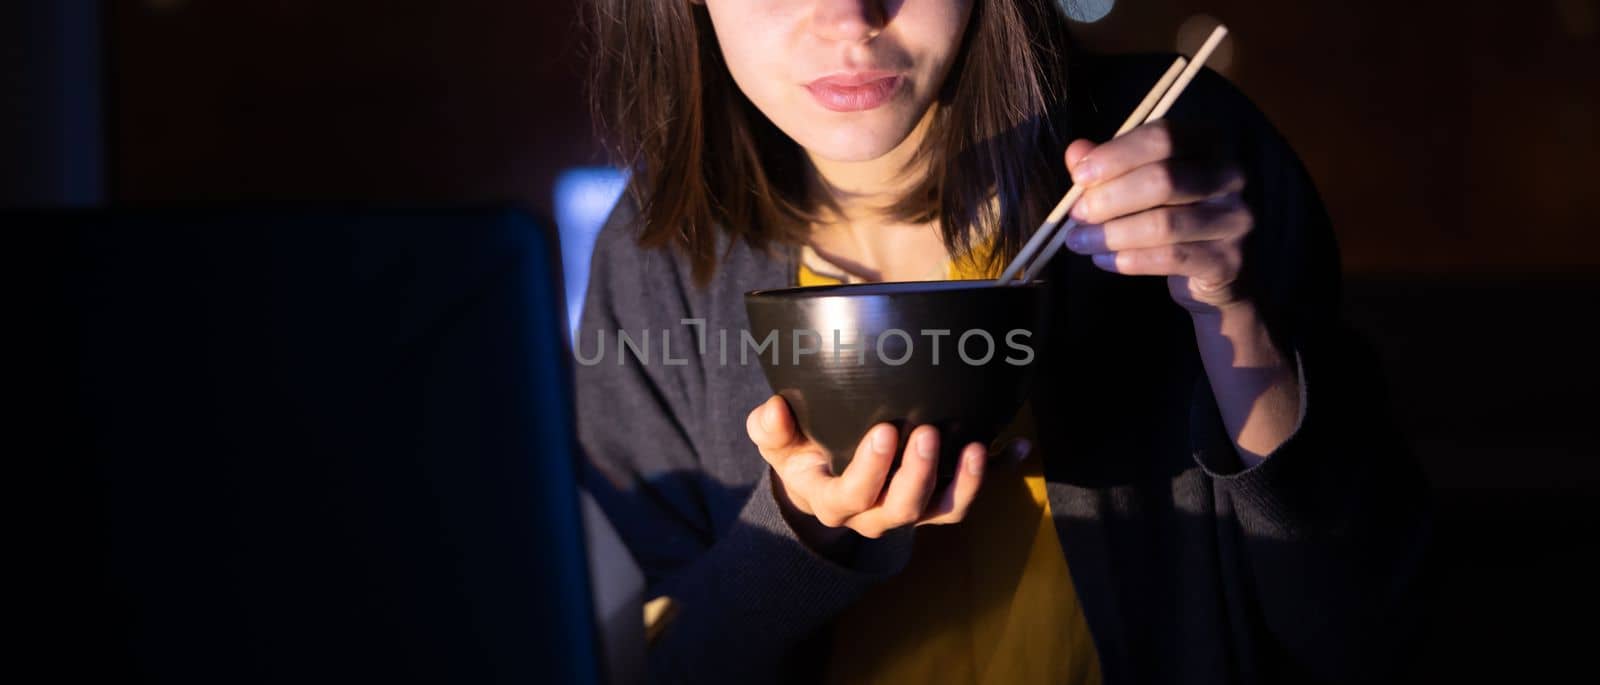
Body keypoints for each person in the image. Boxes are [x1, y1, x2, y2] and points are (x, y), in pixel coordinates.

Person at [575, 1, 1431, 683]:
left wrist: (1231, 312)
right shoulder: (659, 253)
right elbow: (655, 660)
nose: (847, 17)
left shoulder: (1173, 162)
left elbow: (1366, 630)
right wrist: (804, 534)